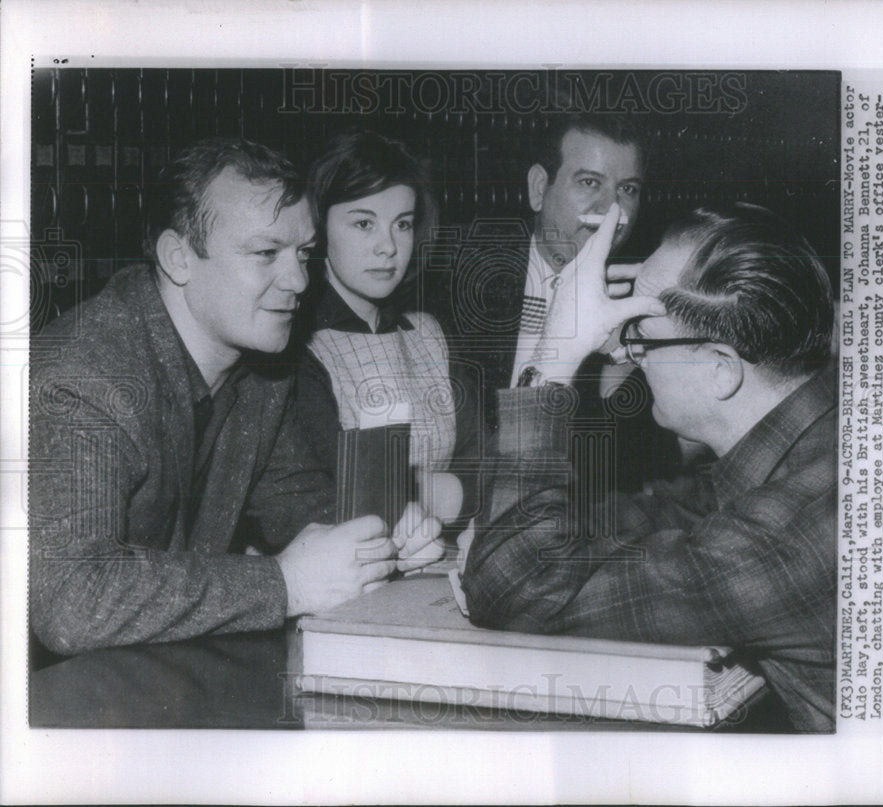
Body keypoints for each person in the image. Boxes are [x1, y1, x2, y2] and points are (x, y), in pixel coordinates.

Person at [30, 138, 441, 657]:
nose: (297, 280)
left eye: (303, 254)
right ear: (179, 257)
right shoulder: (83, 374)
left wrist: (383, 536)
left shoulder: (264, 370)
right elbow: (70, 601)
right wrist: (282, 584)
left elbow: (298, 503)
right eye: (266, 253)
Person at [462, 202, 838, 732]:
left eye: (639, 331)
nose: (622, 353)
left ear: (718, 370)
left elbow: (516, 581)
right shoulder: (807, 449)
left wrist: (554, 358)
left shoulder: (789, 537)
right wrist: (518, 528)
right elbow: (669, 513)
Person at [293, 129, 477, 535]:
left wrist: (404, 492)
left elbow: (490, 474)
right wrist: (443, 491)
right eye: (363, 224)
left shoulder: (430, 333)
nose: (388, 247)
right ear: (319, 228)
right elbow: (335, 500)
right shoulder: (297, 349)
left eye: (402, 224)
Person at [441, 112, 645, 427]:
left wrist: (622, 360)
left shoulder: (638, 300)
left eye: (627, 189)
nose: (611, 210)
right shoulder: (458, 268)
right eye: (589, 183)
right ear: (539, 188)